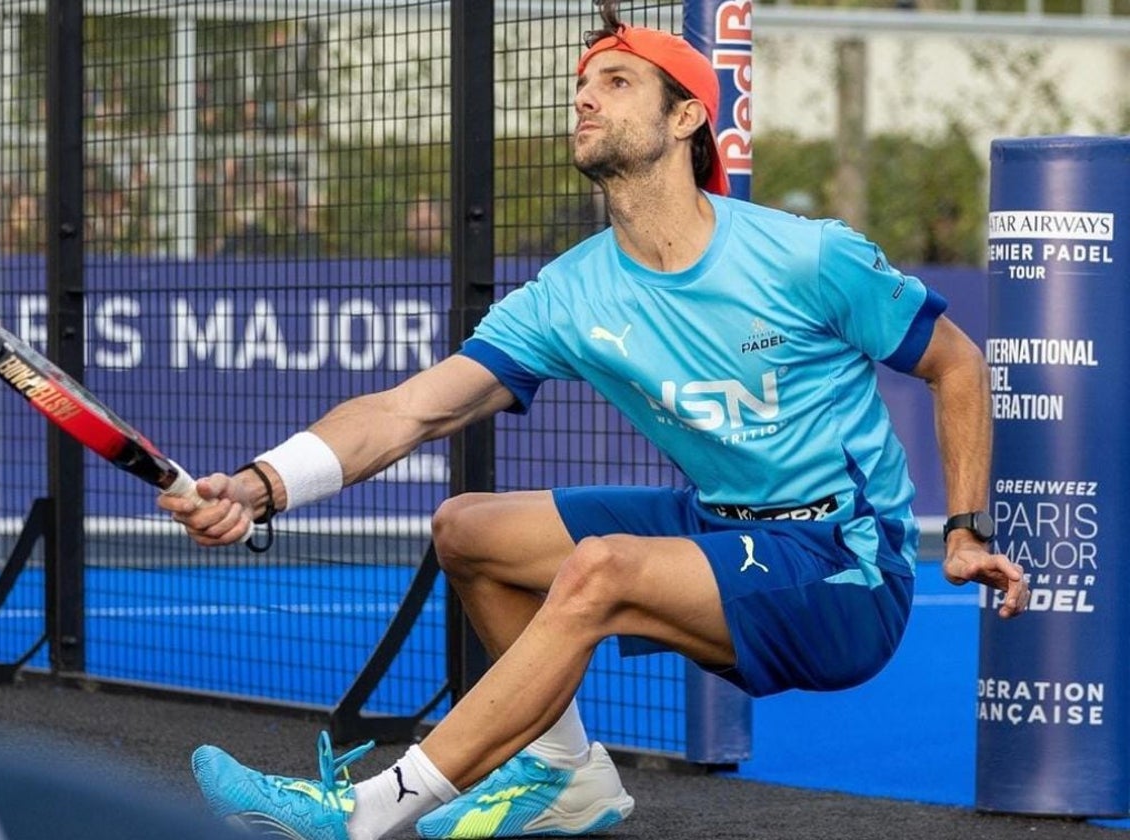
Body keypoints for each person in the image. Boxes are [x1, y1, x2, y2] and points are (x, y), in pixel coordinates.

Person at [161, 3, 1031, 839]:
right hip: (722, 523)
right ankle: (565, 774)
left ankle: (362, 815)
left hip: (844, 567)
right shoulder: (571, 293)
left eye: (616, 82)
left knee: (600, 569)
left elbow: (957, 363)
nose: (584, 96)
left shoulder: (807, 256)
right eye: (584, 83)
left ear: (688, 115)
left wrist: (961, 528)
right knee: (468, 530)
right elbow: (408, 410)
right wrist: (260, 483)